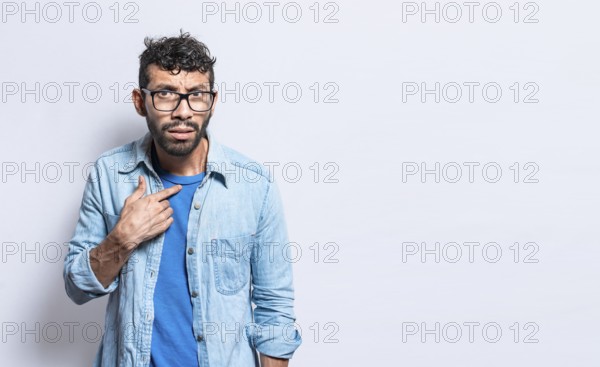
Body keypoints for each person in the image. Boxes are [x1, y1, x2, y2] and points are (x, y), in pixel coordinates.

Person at [63, 31, 302, 367]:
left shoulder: (253, 185)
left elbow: (274, 307)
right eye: (165, 94)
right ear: (139, 101)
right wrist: (122, 239)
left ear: (213, 101)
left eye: (196, 95)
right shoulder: (109, 174)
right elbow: (77, 287)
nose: (183, 111)